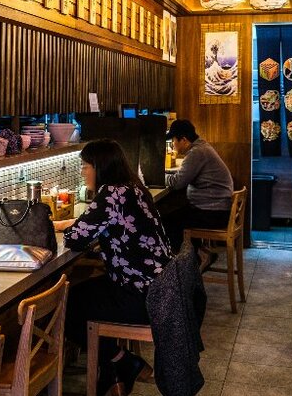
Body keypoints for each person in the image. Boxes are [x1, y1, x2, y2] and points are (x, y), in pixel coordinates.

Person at [54, 139, 172, 396]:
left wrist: (73, 226)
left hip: (141, 296)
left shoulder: (111, 194)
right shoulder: (133, 188)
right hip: (159, 288)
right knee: (82, 294)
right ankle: (116, 375)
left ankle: (122, 360)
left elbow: (75, 238)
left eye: (86, 166)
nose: (83, 172)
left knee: (66, 305)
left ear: (100, 166)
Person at [161, 120, 234, 252]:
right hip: (216, 209)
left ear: (183, 140)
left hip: (213, 214)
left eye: (174, 140)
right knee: (177, 213)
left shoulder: (196, 152)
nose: (173, 144)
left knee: (168, 221)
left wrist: (158, 176)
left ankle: (185, 263)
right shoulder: (201, 147)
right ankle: (198, 256)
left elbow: (177, 183)